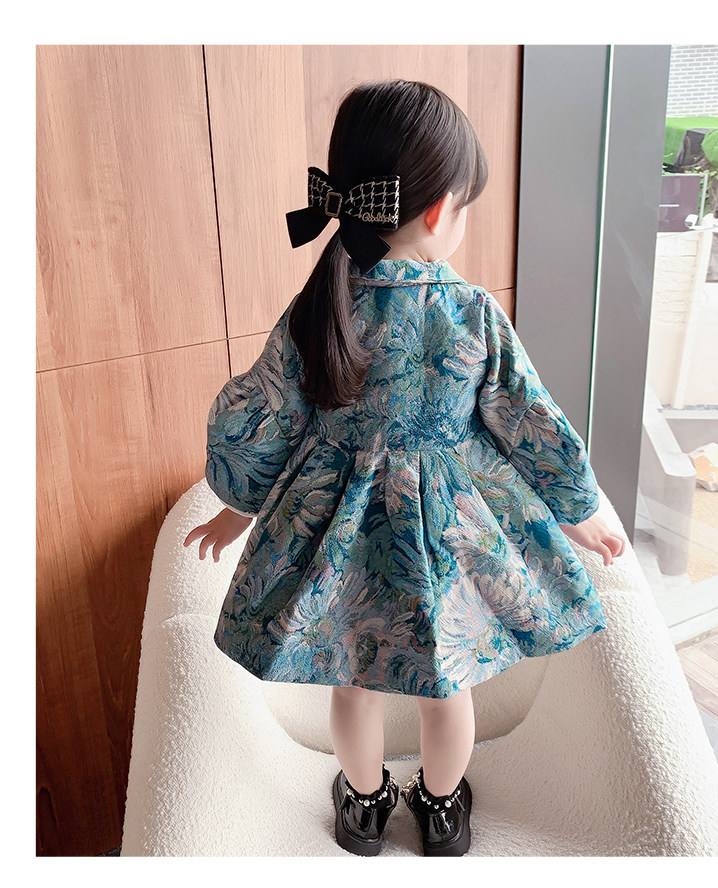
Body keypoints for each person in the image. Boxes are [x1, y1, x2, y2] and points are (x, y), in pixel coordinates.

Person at [184, 79, 627, 858]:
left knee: (351, 684)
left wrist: (236, 503)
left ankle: (362, 806)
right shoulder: (471, 311)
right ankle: (441, 808)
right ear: (438, 210)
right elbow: (529, 419)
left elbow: (268, 412)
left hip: (339, 535)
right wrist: (579, 507)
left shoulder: (320, 305)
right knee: (446, 686)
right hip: (447, 534)